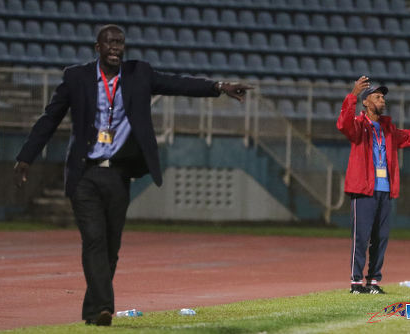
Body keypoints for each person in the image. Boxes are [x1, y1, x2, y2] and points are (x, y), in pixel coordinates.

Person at [13, 24, 252, 326]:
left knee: (111, 247)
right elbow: (50, 118)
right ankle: (103, 308)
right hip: (84, 173)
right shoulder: (76, 77)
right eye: (109, 42)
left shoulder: (140, 74)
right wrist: (26, 156)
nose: (115, 47)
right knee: (94, 240)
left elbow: (177, 84)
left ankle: (93, 312)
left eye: (120, 42)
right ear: (97, 47)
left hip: (118, 173)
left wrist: (218, 87)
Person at [337, 75, 410, 294]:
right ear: (366, 102)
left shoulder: (388, 129)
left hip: (385, 190)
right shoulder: (358, 125)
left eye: (383, 97)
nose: (382, 100)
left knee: (380, 238)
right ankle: (356, 283)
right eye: (377, 97)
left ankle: (373, 282)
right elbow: (343, 124)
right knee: (361, 238)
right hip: (364, 190)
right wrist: (353, 95)